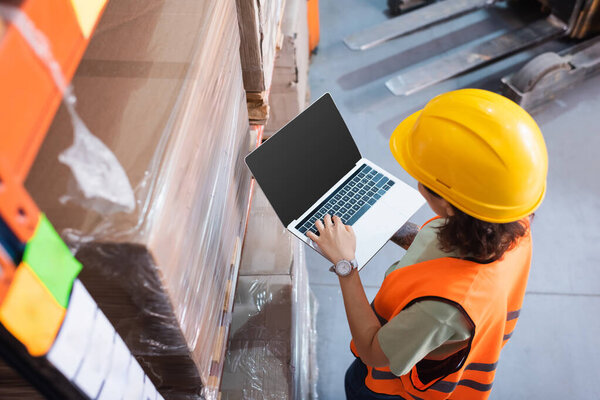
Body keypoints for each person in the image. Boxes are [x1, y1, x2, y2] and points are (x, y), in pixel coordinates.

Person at [305, 89, 548, 400]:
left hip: (389, 391)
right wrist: (379, 217)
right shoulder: (509, 221)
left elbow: (372, 352)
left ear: (447, 205)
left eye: (422, 177)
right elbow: (441, 252)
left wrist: (345, 265)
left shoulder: (443, 309)